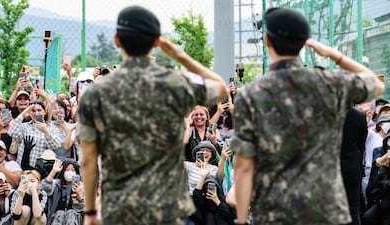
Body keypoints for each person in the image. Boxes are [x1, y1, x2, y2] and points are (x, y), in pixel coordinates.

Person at [232, 7, 384, 225]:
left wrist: (241, 220)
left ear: (267, 40)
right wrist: (334, 54)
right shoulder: (328, 84)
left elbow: (244, 165)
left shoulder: (250, 95)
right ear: (304, 43)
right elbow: (376, 84)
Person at [77, 5, 227, 225]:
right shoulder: (175, 84)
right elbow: (221, 88)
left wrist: (90, 211)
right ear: (157, 42)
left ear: (117, 40)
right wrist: (180, 56)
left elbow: (88, 160)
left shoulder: (96, 93)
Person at [340, 108, 367, 225]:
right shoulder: (359, 116)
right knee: (353, 212)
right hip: (352, 169)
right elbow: (361, 143)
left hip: (330, 169)